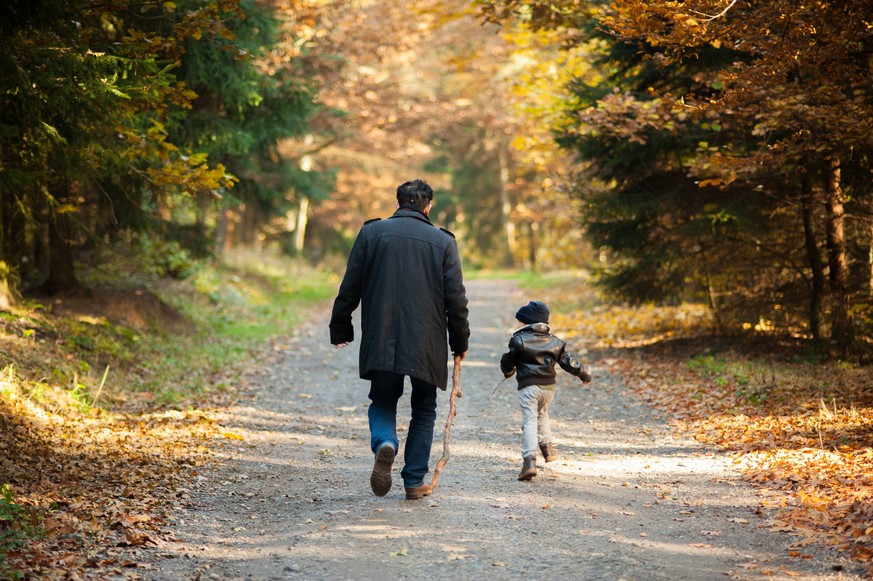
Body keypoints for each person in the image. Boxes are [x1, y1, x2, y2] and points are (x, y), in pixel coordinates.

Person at [329, 179, 469, 500]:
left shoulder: (371, 234)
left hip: (381, 336)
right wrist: (459, 342)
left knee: (382, 398)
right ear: (428, 206)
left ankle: (386, 442)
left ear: (398, 202)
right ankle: (414, 480)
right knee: (424, 406)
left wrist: (341, 327)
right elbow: (456, 300)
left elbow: (351, 284)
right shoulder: (443, 241)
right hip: (427, 341)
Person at [499, 300, 591, 481]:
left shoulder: (519, 340)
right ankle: (548, 449)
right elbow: (568, 362)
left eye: (520, 321)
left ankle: (529, 462)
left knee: (529, 421)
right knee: (542, 414)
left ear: (526, 323)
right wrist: (583, 374)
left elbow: (508, 360)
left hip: (529, 386)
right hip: (549, 388)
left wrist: (508, 371)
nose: (518, 324)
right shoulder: (555, 341)